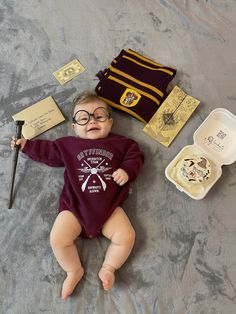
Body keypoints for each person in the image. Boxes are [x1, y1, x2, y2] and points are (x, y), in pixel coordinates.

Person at [11, 92, 144, 300]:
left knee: (126, 236)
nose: (91, 121)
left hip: (109, 208)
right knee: (58, 239)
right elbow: (49, 151)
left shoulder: (122, 144)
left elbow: (135, 155)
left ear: (110, 122)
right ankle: (73, 270)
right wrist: (27, 145)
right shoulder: (68, 145)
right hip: (74, 207)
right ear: (74, 127)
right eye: (83, 118)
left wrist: (127, 170)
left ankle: (109, 267)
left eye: (99, 116)